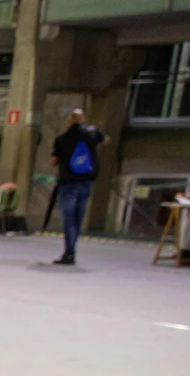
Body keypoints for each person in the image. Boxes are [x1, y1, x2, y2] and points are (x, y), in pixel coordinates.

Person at [49, 108, 107, 265]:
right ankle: (72, 249)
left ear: (69, 120)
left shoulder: (62, 138)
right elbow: (104, 140)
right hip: (86, 182)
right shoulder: (92, 133)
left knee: (68, 220)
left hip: (68, 183)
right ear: (83, 119)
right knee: (78, 219)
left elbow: (54, 161)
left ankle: (70, 252)